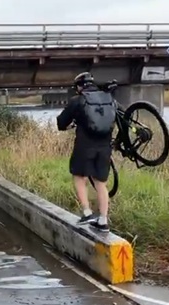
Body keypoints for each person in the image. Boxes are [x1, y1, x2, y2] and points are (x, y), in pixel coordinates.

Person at [56, 72, 116, 233]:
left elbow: (61, 122)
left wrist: (69, 126)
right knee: (100, 183)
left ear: (79, 86)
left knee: (79, 177)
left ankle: (87, 212)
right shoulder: (108, 98)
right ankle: (103, 221)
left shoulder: (78, 100)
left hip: (85, 146)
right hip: (105, 147)